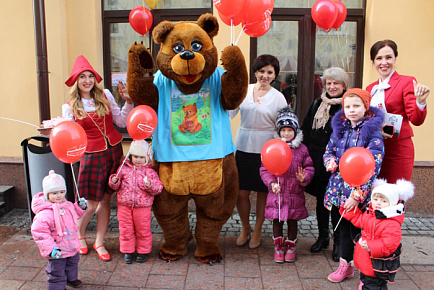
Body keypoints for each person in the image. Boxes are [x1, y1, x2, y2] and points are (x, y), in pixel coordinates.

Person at [39, 55, 133, 261]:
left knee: (106, 199)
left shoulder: (106, 95)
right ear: (76, 81)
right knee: (90, 204)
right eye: (83, 77)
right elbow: (66, 131)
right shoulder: (70, 105)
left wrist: (128, 102)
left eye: (90, 76)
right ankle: (79, 236)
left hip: (113, 152)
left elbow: (121, 121)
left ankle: (100, 241)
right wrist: (51, 130)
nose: (87, 80)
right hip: (91, 156)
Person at [324, 88, 384, 283]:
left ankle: (365, 273)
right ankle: (345, 266)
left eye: (356, 106)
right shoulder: (339, 128)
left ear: (366, 107)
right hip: (339, 188)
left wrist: (356, 195)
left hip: (359, 192)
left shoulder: (371, 131)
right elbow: (329, 150)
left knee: (359, 234)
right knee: (342, 230)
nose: (351, 110)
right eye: (347, 106)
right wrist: (330, 161)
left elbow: (372, 165)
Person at [229, 54, 287, 249]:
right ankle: (245, 227)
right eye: (261, 71)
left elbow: (284, 125)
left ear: (274, 75)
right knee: (241, 192)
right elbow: (230, 112)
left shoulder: (278, 97)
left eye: (269, 72)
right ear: (255, 72)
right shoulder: (244, 91)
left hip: (267, 148)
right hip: (244, 145)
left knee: (263, 192)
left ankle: (258, 229)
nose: (265, 75)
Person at [301, 67, 349, 261]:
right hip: (317, 159)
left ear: (344, 85)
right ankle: (323, 237)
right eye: (329, 83)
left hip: (339, 162)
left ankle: (339, 242)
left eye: (336, 83)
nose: (332, 86)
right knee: (322, 201)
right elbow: (305, 130)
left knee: (336, 203)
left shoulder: (348, 106)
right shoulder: (317, 104)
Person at [366, 39, 430, 183]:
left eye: (389, 57)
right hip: (376, 147)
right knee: (376, 195)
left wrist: (420, 102)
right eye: (379, 58)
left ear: (395, 58)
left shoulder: (406, 82)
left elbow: (416, 120)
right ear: (373, 61)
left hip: (398, 148)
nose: (384, 62)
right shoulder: (370, 89)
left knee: (395, 194)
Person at [260, 106, 314, 263]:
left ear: (295, 131)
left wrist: (304, 178)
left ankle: (291, 247)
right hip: (277, 192)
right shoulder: (272, 147)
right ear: (278, 131)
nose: (286, 134)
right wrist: (271, 183)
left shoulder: (302, 149)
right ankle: (278, 247)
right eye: (283, 130)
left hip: (294, 192)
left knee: (292, 221)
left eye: (290, 130)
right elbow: (265, 169)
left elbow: (309, 167)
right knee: (277, 220)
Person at [340, 178, 414, 289]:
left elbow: (389, 245)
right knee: (367, 282)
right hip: (367, 262)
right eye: (375, 199)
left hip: (378, 265)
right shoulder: (371, 214)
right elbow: (360, 220)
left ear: (392, 203)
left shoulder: (391, 224)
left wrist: (371, 246)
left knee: (374, 286)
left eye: (384, 201)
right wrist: (349, 212)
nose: (378, 203)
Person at [31, 170, 87, 289]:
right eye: (54, 193)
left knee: (72, 263)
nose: (59, 195)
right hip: (57, 249)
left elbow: (75, 214)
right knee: (56, 270)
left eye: (62, 192)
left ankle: (71, 278)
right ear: (47, 195)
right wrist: (50, 249)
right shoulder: (45, 214)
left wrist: (80, 207)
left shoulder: (67, 205)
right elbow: (40, 234)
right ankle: (57, 287)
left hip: (71, 244)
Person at [109, 140, 163, 264]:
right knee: (125, 229)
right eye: (135, 156)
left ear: (147, 158)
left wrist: (149, 185)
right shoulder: (123, 169)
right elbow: (115, 186)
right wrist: (114, 181)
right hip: (124, 205)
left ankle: (143, 251)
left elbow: (158, 188)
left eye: (141, 157)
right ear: (131, 156)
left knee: (143, 229)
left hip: (142, 207)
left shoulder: (150, 172)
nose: (138, 160)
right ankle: (127, 251)